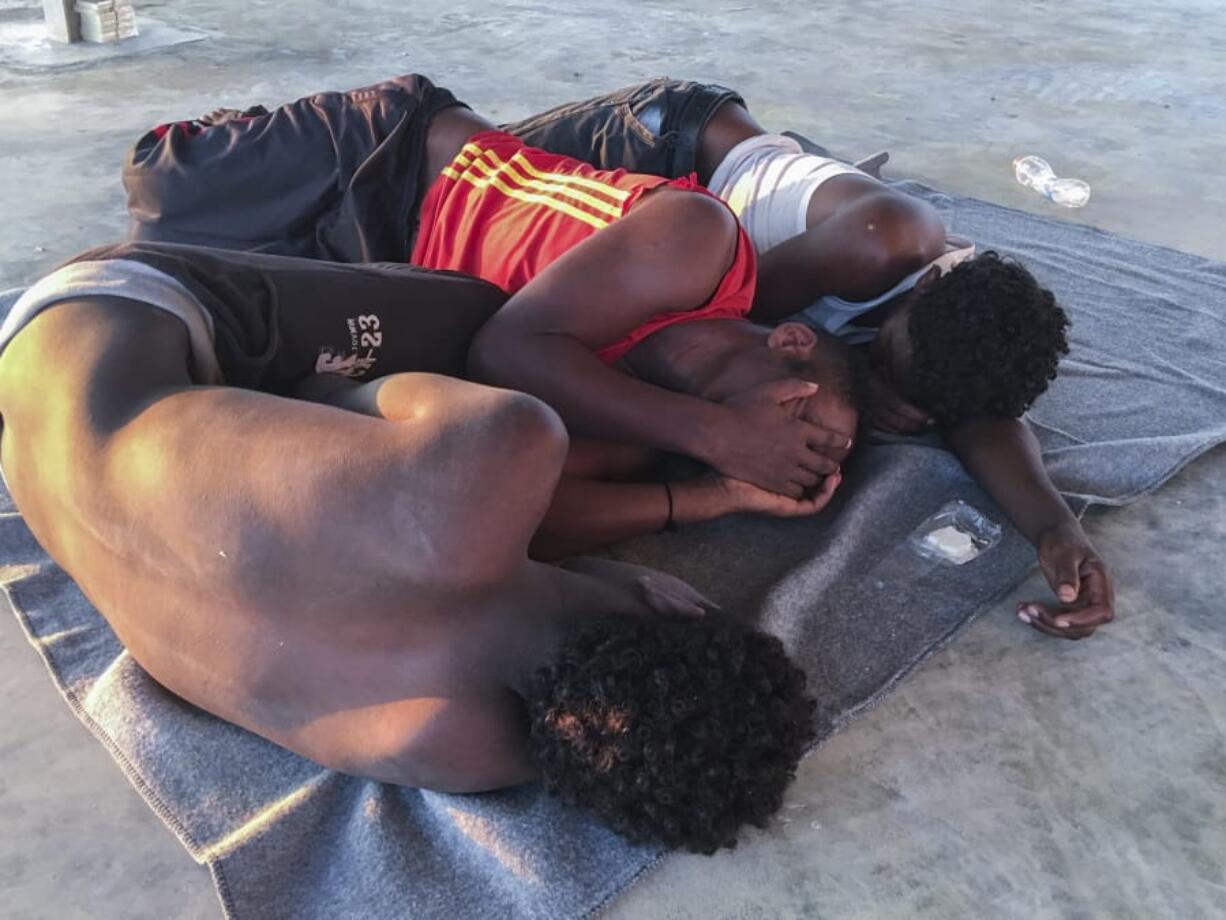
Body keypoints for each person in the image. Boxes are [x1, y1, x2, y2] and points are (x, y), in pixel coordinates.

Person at [0, 244, 817, 853]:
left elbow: (313, 398)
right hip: (32, 469)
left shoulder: (502, 448)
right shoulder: (455, 748)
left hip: (107, 311)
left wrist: (640, 468)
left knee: (479, 316)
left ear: (678, 599)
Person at [122, 75, 861, 542]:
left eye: (795, 461)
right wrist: (717, 432)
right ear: (791, 342)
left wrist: (717, 493)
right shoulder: (704, 245)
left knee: (163, 279)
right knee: (159, 184)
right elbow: (507, 349)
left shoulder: (635, 423)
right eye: (797, 422)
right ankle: (255, 125)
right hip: (398, 158)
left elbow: (513, 510)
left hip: (378, 269)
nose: (773, 449)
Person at [503, 78, 1114, 640]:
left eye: (929, 409)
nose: (894, 398)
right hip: (662, 145)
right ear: (925, 287)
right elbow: (724, 316)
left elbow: (986, 420)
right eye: (885, 366)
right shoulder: (885, 242)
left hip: (657, 219)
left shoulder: (942, 341)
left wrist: (1055, 530)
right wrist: (839, 384)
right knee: (459, 163)